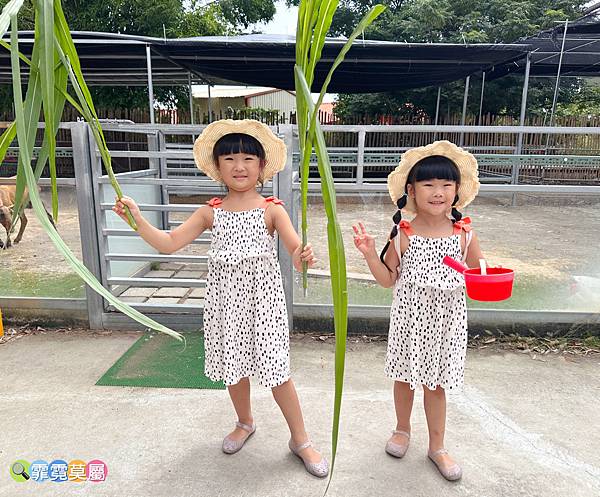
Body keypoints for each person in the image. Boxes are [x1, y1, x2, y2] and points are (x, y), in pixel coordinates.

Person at [113, 119, 329, 477]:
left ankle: (301, 439)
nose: (239, 166)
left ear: (262, 166)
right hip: (225, 305)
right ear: (218, 167)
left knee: (277, 372)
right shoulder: (209, 212)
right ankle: (244, 422)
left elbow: (293, 247)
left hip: (264, 306)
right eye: (229, 159)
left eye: (247, 158)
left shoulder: (272, 208)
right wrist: (137, 220)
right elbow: (169, 242)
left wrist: (302, 254)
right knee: (234, 365)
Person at [352, 140, 483, 481]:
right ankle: (401, 429)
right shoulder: (402, 234)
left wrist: (489, 277)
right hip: (410, 320)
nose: (438, 192)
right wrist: (368, 254)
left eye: (446, 185)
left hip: (446, 323)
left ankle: (437, 446)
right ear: (411, 190)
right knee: (404, 378)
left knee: (436, 385)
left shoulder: (465, 234)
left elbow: (480, 274)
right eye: (428, 184)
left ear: (457, 191)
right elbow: (386, 280)